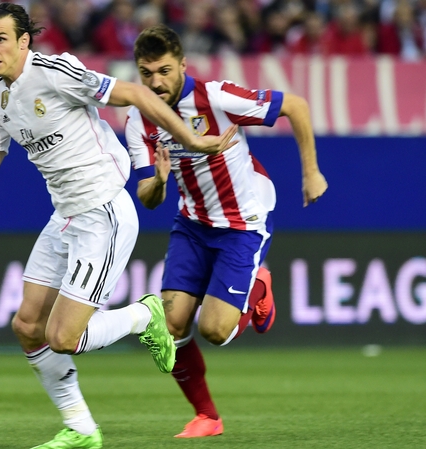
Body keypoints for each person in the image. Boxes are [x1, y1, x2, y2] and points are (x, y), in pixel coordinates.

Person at [0, 4, 238, 449]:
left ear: (24, 41)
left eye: (0, 38)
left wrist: (191, 140)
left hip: (104, 212)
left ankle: (144, 315)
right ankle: (80, 428)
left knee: (63, 337)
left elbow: (136, 95)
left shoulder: (57, 72)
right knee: (27, 325)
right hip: (65, 216)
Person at [124, 24, 328, 438]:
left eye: (164, 70)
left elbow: (297, 106)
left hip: (243, 222)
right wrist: (159, 180)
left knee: (215, 331)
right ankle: (208, 417)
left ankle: (259, 290)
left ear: (183, 64)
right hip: (193, 223)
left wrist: (311, 172)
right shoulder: (137, 117)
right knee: (172, 326)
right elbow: (147, 195)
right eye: (146, 74)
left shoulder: (215, 98)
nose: (156, 82)